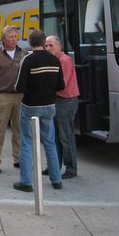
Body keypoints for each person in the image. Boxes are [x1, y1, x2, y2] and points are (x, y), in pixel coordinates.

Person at [13, 29, 65, 192]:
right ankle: (56, 180)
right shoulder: (54, 60)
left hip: (30, 107)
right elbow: (61, 85)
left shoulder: (28, 60)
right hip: (49, 106)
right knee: (50, 142)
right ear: (44, 43)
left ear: (29, 42)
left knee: (27, 143)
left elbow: (19, 86)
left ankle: (26, 182)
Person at [0, 25, 26, 174]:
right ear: (3, 39)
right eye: (11, 37)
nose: (14, 39)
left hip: (20, 96)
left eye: (16, 36)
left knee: (19, 130)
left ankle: (18, 158)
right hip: (3, 96)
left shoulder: (23, 53)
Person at [44, 35, 80, 179]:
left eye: (51, 45)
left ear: (59, 46)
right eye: (46, 45)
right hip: (57, 100)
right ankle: (54, 166)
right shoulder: (54, 60)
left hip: (65, 101)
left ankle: (71, 168)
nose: (48, 48)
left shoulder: (64, 61)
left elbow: (60, 83)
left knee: (65, 136)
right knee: (54, 136)